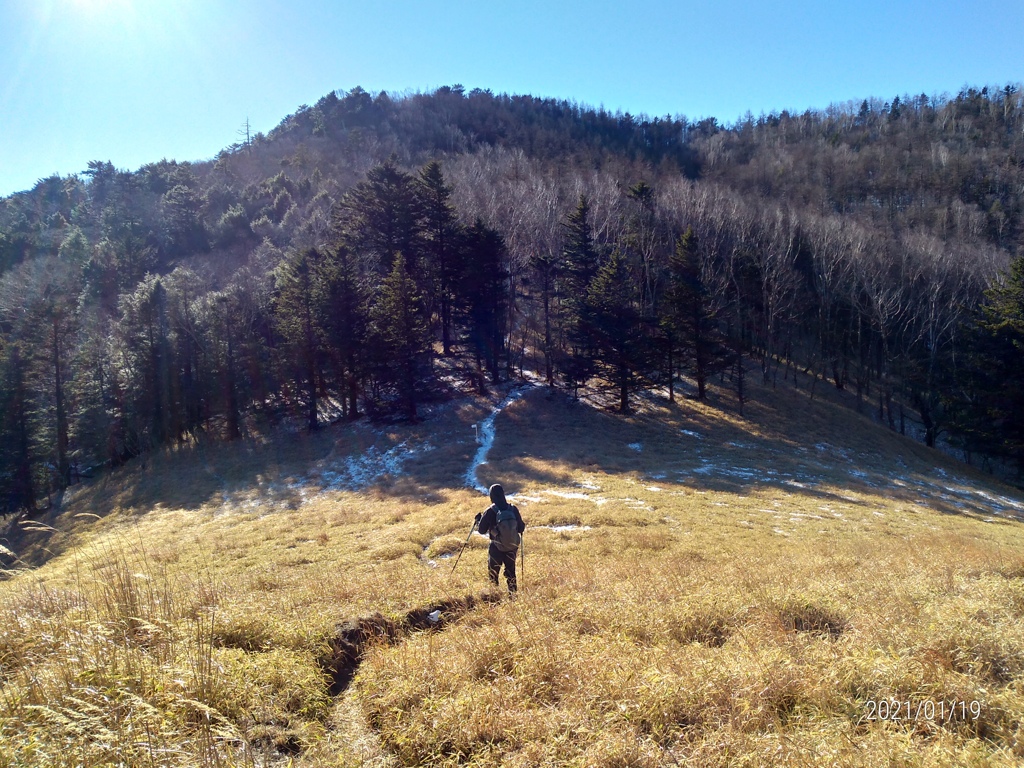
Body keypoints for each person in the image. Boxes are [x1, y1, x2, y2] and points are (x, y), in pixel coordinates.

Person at [475, 483, 525, 594]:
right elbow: (521, 528)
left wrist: (478, 520)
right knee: (511, 573)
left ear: (491, 496)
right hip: (512, 547)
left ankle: (495, 597)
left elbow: (481, 530)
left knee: (493, 574)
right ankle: (513, 597)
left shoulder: (490, 511)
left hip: (496, 547)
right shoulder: (512, 509)